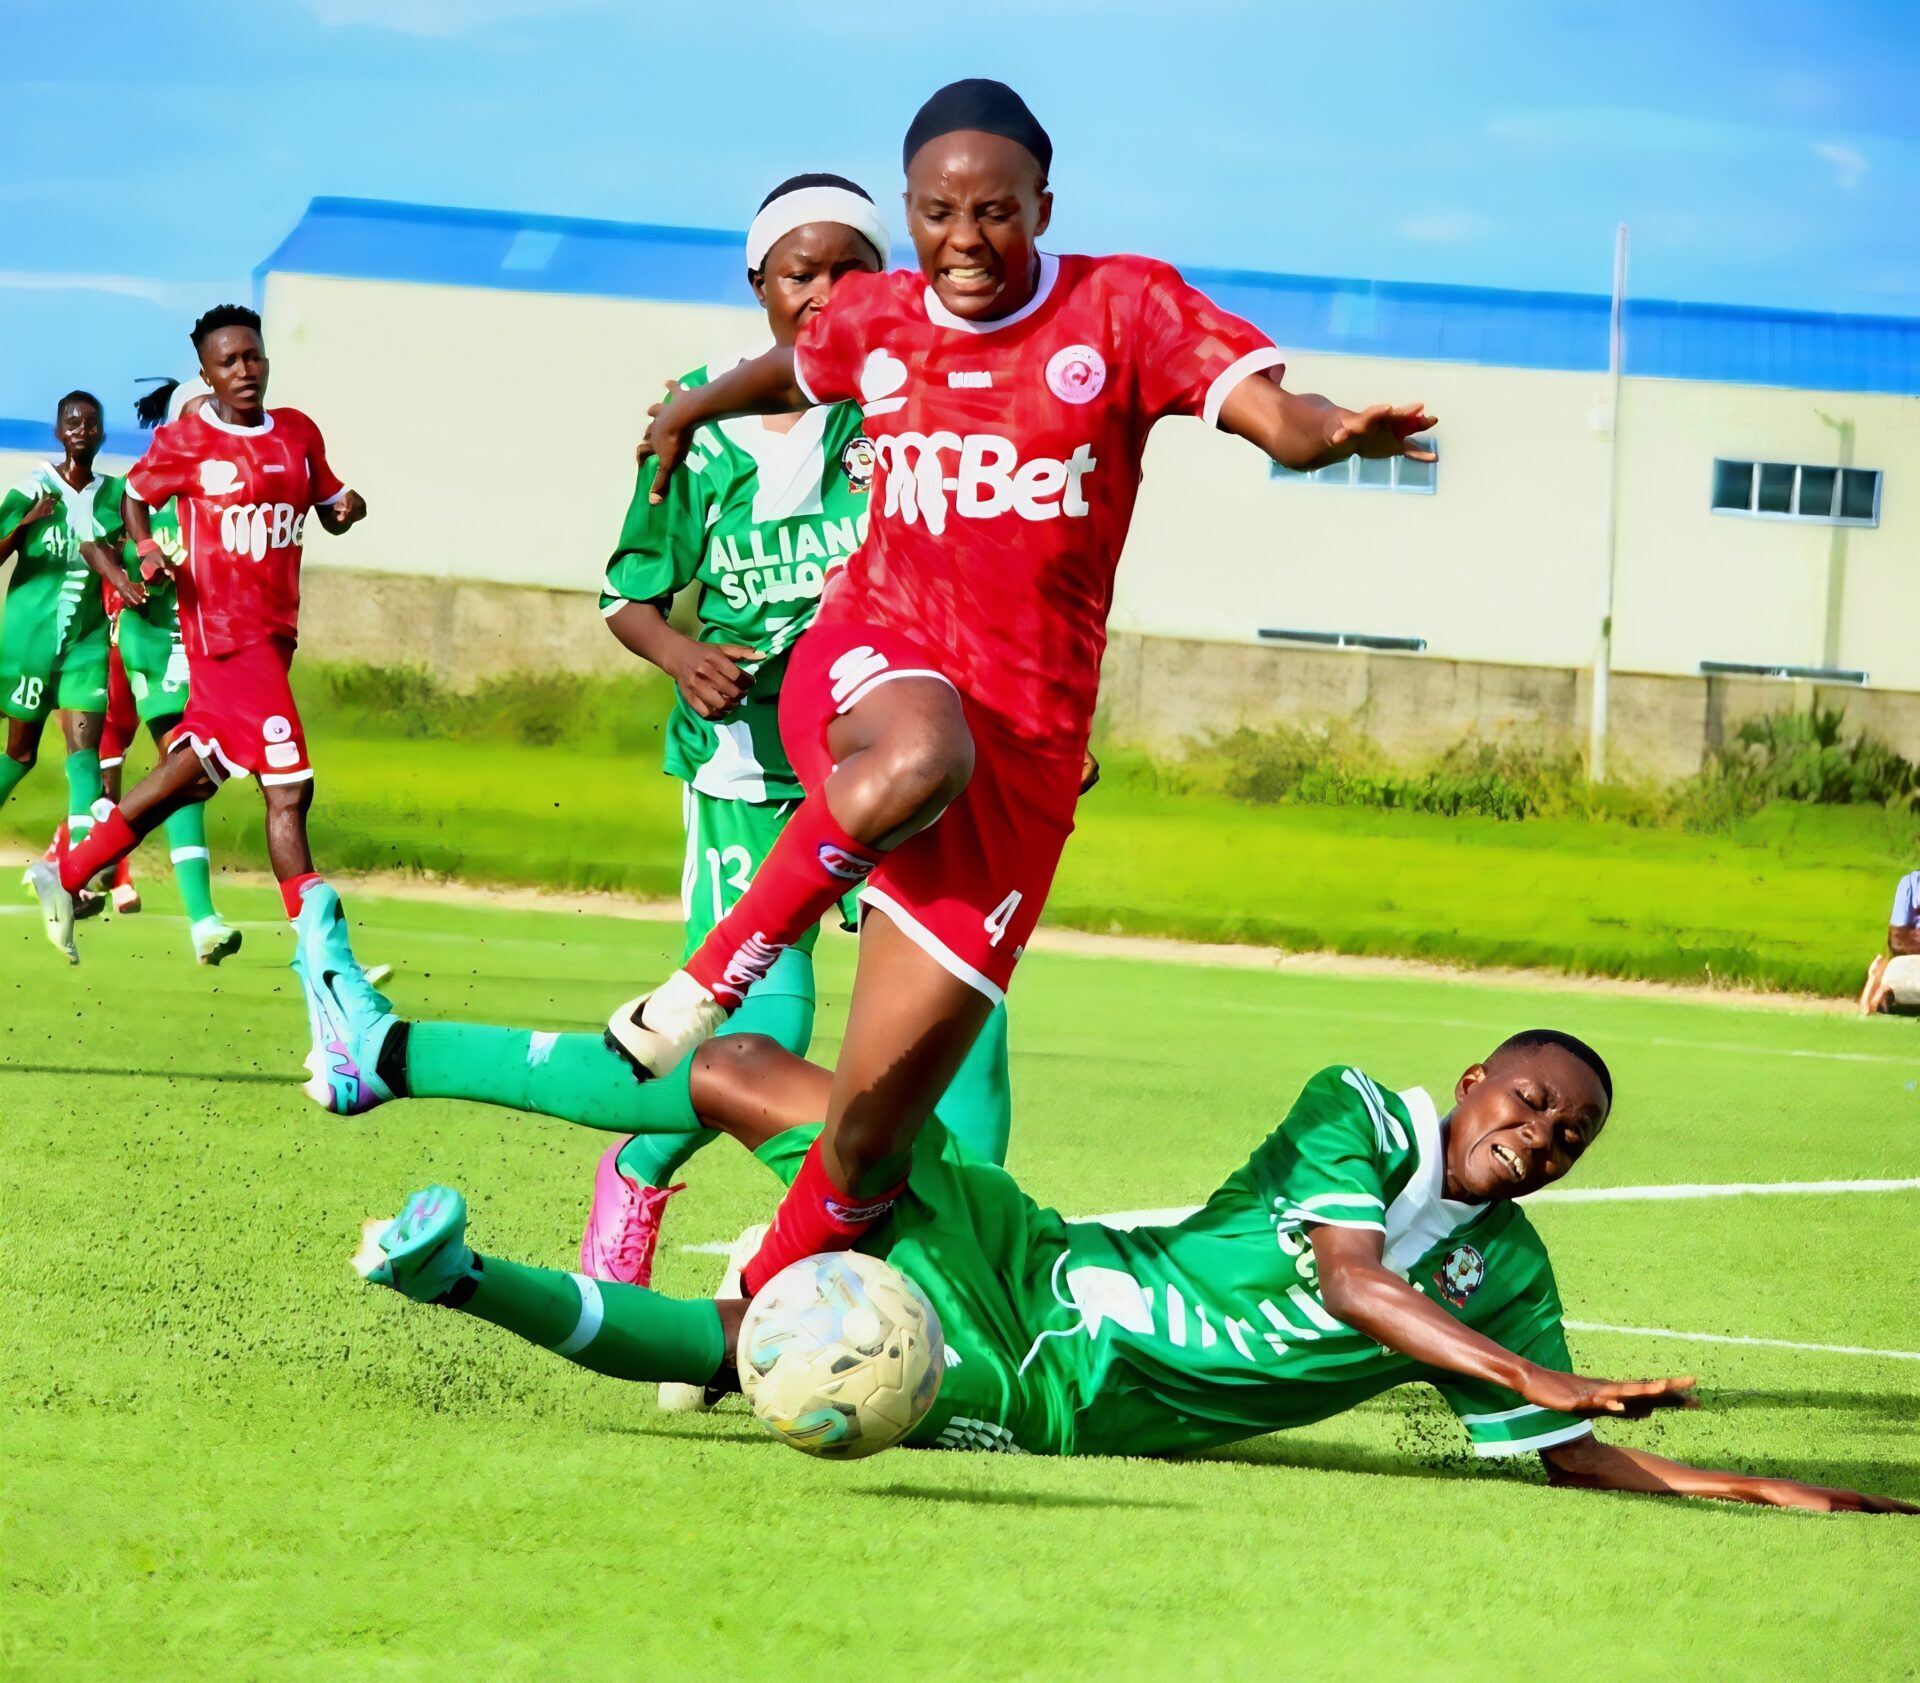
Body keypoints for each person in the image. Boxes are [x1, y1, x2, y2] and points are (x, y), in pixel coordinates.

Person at [603, 78, 1439, 1300]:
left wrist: (1327, 434)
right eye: (939, 212)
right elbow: (791, 368)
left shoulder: (1126, 307)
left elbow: (1272, 412)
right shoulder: (880, 314)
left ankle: (748, 1316)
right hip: (876, 658)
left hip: (1029, 742)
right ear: (911, 207)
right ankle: (712, 974)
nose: (965, 241)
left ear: (1043, 207)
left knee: (883, 1119)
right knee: (917, 755)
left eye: (995, 212)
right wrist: (686, 408)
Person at [354, 1025, 1914, 1512]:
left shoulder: (1510, 1270)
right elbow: (1362, 1283)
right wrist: (1524, 1371)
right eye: (1527, 1099)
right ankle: (398, 1053)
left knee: (748, 1337)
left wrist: (1785, 1493)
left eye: (1572, 1130)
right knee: (770, 1071)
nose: (1544, 1131)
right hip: (1044, 1257)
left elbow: (1567, 1449)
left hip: (1058, 1394)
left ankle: (461, 1276)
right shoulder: (1357, 1112)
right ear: (1470, 1081)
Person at [582, 171, 1014, 1294]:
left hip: (893, 760)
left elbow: (985, 570)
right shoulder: (697, 417)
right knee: (757, 1019)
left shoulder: (911, 401)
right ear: (759, 284)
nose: (826, 294)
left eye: (853, 272)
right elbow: (627, 591)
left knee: (948, 1020)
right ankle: (635, 1173)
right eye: (801, 273)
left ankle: (941, 1270)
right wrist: (681, 657)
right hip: (745, 773)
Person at [22, 307, 386, 1055]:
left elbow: (329, 504)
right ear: (208, 372)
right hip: (224, 640)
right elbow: (133, 498)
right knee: (289, 789)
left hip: (275, 636)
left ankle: (69, 867)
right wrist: (149, 549)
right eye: (227, 362)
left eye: (251, 356)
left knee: (190, 776)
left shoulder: (298, 434)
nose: (244, 370)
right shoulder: (189, 442)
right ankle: (327, 967)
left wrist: (348, 509)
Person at [40, 376, 238, 957]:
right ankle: (199, 918)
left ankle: (79, 867)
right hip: (146, 645)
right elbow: (93, 541)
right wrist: (125, 578)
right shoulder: (143, 489)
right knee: (178, 765)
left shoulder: (227, 491)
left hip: (196, 650)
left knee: (149, 776)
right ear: (181, 424)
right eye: (202, 413)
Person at [0, 392, 139, 925]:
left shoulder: (117, 495)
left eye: (92, 421)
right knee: (19, 754)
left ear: (103, 433)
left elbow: (139, 541)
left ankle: (76, 876)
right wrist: (24, 523)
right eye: (72, 421)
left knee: (85, 751)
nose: (82, 428)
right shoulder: (32, 486)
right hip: (29, 642)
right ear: (59, 430)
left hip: (85, 645)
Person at [1859, 868, 1920, 1015]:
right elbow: (1897, 940)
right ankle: (1877, 988)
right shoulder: (1910, 884)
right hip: (1914, 958)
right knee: (1893, 970)